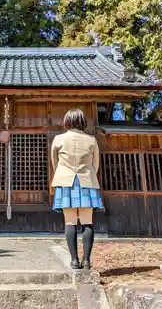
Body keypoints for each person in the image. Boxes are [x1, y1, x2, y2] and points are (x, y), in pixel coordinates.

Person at [51, 108, 103, 269]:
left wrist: (62, 175)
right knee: (88, 221)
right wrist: (89, 174)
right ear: (82, 122)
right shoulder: (91, 140)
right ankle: (86, 261)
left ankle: (74, 260)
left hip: (66, 181)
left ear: (67, 121)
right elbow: (96, 163)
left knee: (70, 221)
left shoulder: (58, 139)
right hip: (87, 181)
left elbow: (55, 163)